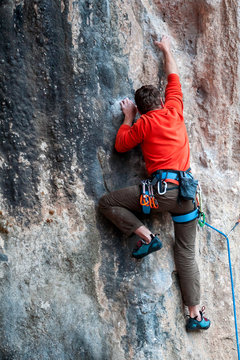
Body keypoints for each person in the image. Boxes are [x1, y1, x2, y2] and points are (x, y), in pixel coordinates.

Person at [98, 35, 210, 331]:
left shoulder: (144, 123)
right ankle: (195, 315)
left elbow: (121, 145)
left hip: (159, 195)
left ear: (141, 108)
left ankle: (147, 237)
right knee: (186, 253)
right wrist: (166, 49)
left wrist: (128, 118)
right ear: (161, 101)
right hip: (187, 195)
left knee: (107, 203)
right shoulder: (175, 110)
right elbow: (173, 75)